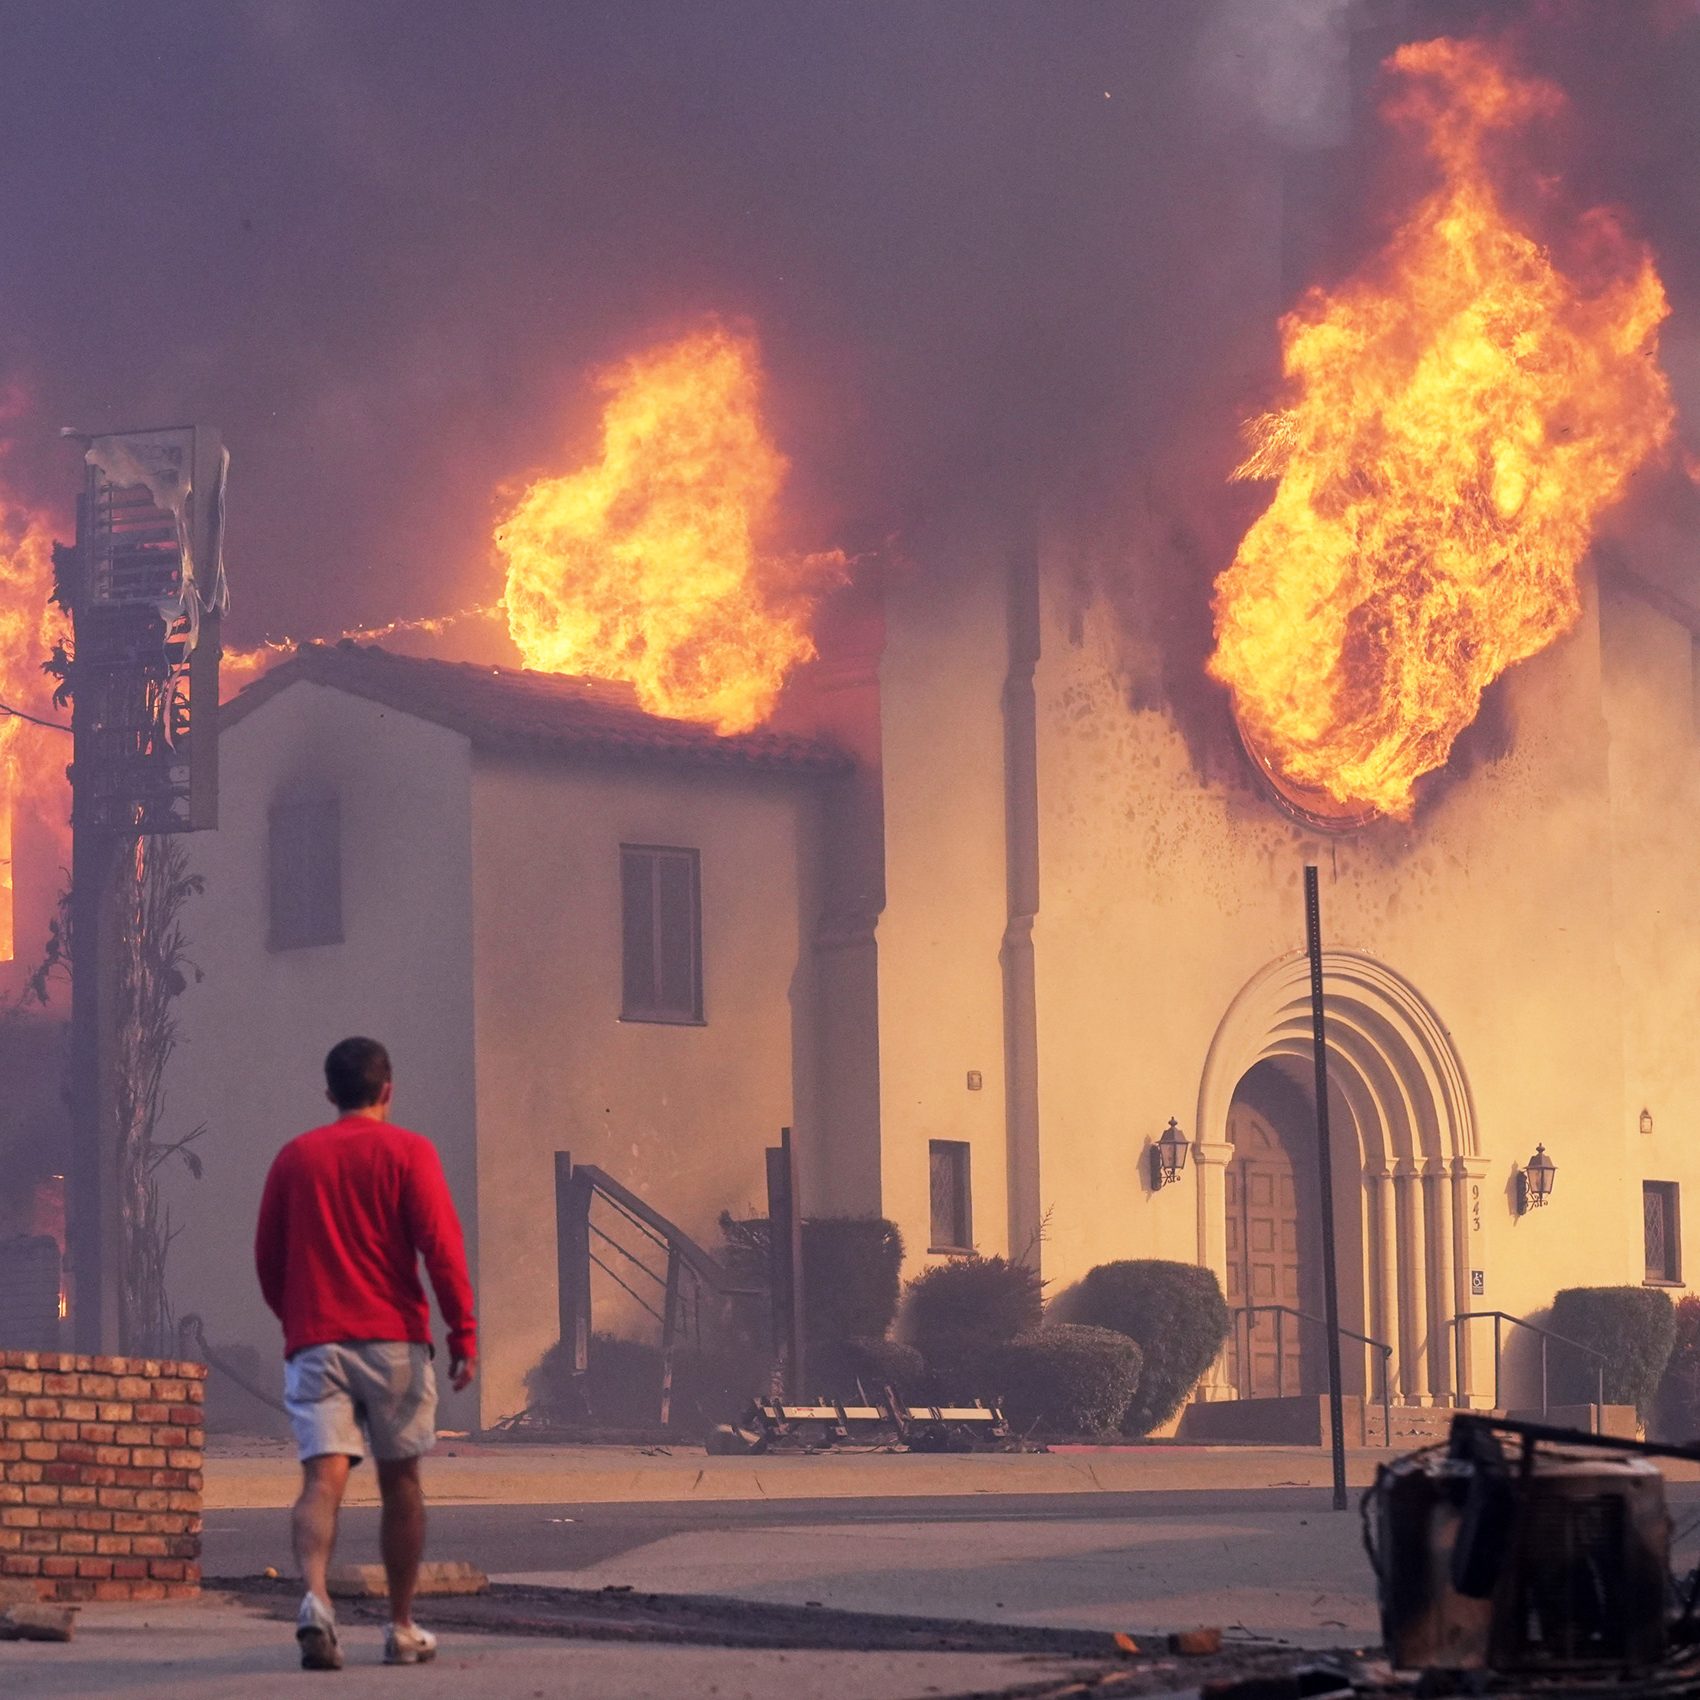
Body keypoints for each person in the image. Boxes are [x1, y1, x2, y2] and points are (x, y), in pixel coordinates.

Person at [255, 1037, 477, 1671]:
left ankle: (316, 1603)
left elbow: (268, 1257)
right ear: (388, 1090)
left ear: (330, 1094)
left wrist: (297, 1320)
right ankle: (401, 1627)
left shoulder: (295, 1158)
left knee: (321, 1479)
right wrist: (463, 1333)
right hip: (394, 1344)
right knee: (400, 1482)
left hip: (316, 1344)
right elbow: (441, 1247)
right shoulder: (410, 1153)